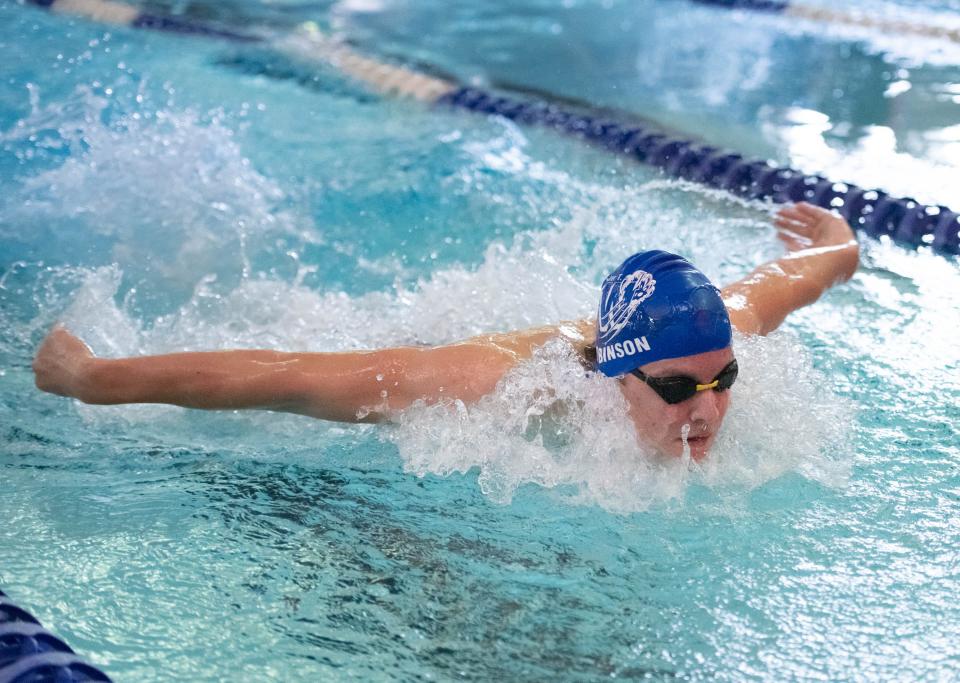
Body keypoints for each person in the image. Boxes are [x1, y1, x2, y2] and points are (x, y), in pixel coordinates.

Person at [32, 202, 859, 461]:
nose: (708, 410)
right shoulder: (497, 385)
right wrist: (94, 377)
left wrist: (834, 239)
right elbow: (291, 375)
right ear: (616, 372)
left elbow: (801, 275)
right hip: (441, 337)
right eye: (679, 388)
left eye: (724, 381)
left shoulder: (713, 332)